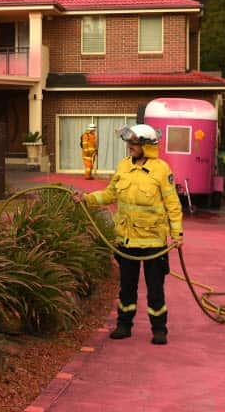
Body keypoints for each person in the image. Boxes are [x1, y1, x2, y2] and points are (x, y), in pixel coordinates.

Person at [74, 124, 182, 345]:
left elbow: (173, 204)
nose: (130, 147)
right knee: (126, 287)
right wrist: (87, 198)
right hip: (126, 239)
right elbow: (110, 194)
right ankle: (124, 325)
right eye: (129, 143)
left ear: (147, 146)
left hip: (154, 242)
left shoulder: (162, 170)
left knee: (155, 290)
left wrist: (177, 234)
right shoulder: (123, 166)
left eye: (134, 143)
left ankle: (159, 329)